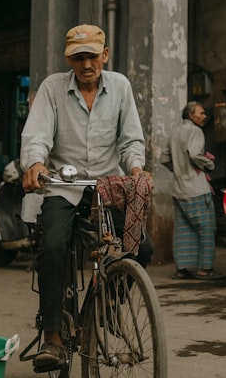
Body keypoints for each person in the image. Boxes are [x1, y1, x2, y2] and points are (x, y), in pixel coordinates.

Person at [20, 24, 150, 371]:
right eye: (79, 58)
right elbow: (37, 135)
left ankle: (107, 305)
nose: (86, 64)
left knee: (142, 246)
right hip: (63, 185)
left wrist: (136, 170)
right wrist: (35, 163)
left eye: (92, 56)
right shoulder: (53, 88)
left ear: (104, 55)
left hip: (107, 186)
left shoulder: (120, 86)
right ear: (70, 60)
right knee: (53, 246)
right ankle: (53, 336)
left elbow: (130, 140)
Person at [165, 101, 218, 280]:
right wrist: (208, 165)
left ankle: (182, 268)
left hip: (178, 189)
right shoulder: (195, 131)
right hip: (196, 189)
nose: (204, 116)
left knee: (183, 229)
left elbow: (164, 157)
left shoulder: (175, 132)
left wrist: (178, 169)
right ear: (190, 115)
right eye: (201, 113)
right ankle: (205, 268)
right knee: (206, 228)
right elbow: (195, 154)